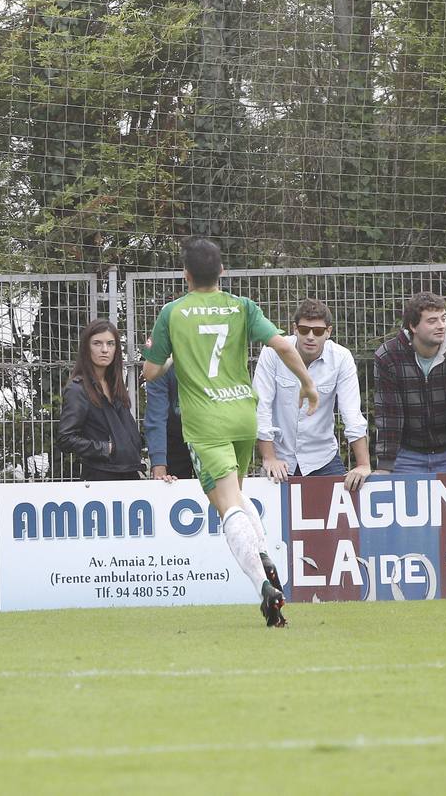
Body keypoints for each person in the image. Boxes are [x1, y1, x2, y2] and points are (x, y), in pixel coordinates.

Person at [141, 237, 318, 628]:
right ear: (222, 271)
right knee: (235, 496)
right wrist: (307, 384)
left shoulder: (172, 313)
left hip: (206, 422)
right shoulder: (242, 307)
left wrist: (169, 356)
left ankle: (262, 584)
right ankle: (263, 553)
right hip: (242, 415)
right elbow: (284, 348)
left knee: (226, 506)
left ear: (184, 274)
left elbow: (150, 374)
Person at [253, 298, 371, 491]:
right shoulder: (272, 353)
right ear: (294, 329)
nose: (310, 336)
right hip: (281, 460)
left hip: (323, 458)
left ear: (328, 332)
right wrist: (269, 458)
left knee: (341, 519)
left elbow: (352, 414)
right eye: (304, 330)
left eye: (317, 331)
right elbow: (261, 407)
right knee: (273, 519)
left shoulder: (341, 358)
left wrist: (363, 465)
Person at [372, 292, 446, 475]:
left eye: (443, 318)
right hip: (406, 453)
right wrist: (384, 467)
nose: (441, 326)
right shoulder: (388, 356)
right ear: (413, 326)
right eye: (432, 321)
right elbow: (389, 414)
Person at [59, 319, 144, 481]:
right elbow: (65, 438)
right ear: (86, 348)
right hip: (100, 476)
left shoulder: (116, 386)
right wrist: (107, 448)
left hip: (129, 473)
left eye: (110, 344)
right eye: (97, 343)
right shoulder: (77, 389)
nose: (105, 350)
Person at [142, 366, 195, 481]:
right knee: (169, 485)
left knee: (221, 490)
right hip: (173, 439)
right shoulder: (161, 359)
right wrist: (159, 464)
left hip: (211, 436)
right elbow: (156, 416)